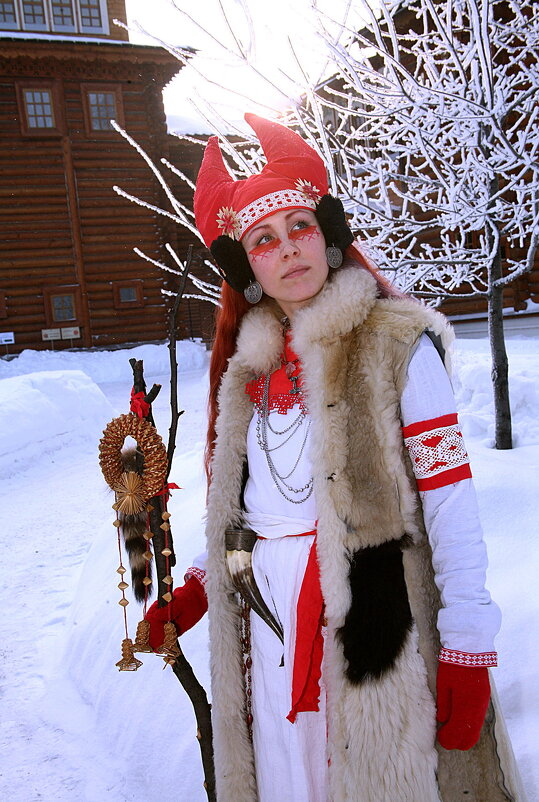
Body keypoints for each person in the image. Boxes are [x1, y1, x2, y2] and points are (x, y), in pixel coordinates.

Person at [146, 114, 504, 802]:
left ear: (330, 235)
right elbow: (249, 507)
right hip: (265, 625)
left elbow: (450, 497)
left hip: (374, 620)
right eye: (263, 239)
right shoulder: (244, 375)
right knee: (285, 778)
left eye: (300, 228)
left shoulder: (397, 344)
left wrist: (467, 641)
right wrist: (195, 585)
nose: (288, 250)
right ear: (243, 266)